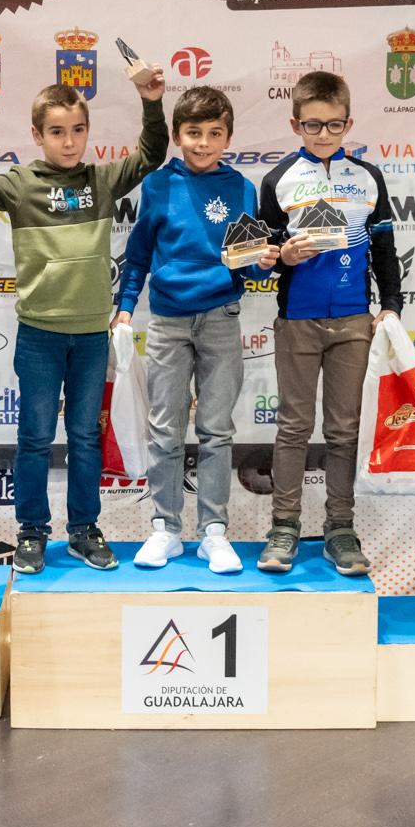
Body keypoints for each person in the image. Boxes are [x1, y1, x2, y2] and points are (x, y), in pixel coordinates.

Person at [0, 63, 166, 573]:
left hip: (91, 336)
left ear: (87, 131)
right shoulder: (19, 185)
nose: (69, 142)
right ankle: (31, 532)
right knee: (34, 439)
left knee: (86, 439)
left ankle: (83, 531)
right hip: (39, 337)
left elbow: (152, 153)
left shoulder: (102, 179)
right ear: (37, 135)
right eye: (56, 132)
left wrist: (152, 101)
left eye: (77, 130)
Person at [114, 86, 280, 573]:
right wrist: (126, 307)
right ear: (176, 135)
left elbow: (248, 262)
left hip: (222, 318)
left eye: (214, 133)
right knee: (165, 430)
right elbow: (139, 254)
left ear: (228, 137)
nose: (203, 143)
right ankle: (165, 530)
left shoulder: (242, 187)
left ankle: (213, 534)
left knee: (216, 431)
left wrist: (262, 264)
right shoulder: (158, 185)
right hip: (167, 321)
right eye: (193, 133)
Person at [254, 70, 401, 577]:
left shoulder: (368, 177)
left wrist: (392, 304)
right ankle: (284, 527)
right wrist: (282, 256)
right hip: (297, 319)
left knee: (343, 430)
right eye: (313, 125)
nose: (323, 134)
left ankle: (340, 528)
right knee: (293, 428)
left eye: (334, 125)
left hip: (354, 320)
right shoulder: (277, 180)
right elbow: (262, 255)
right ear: (295, 124)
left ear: (348, 124)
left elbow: (385, 248)